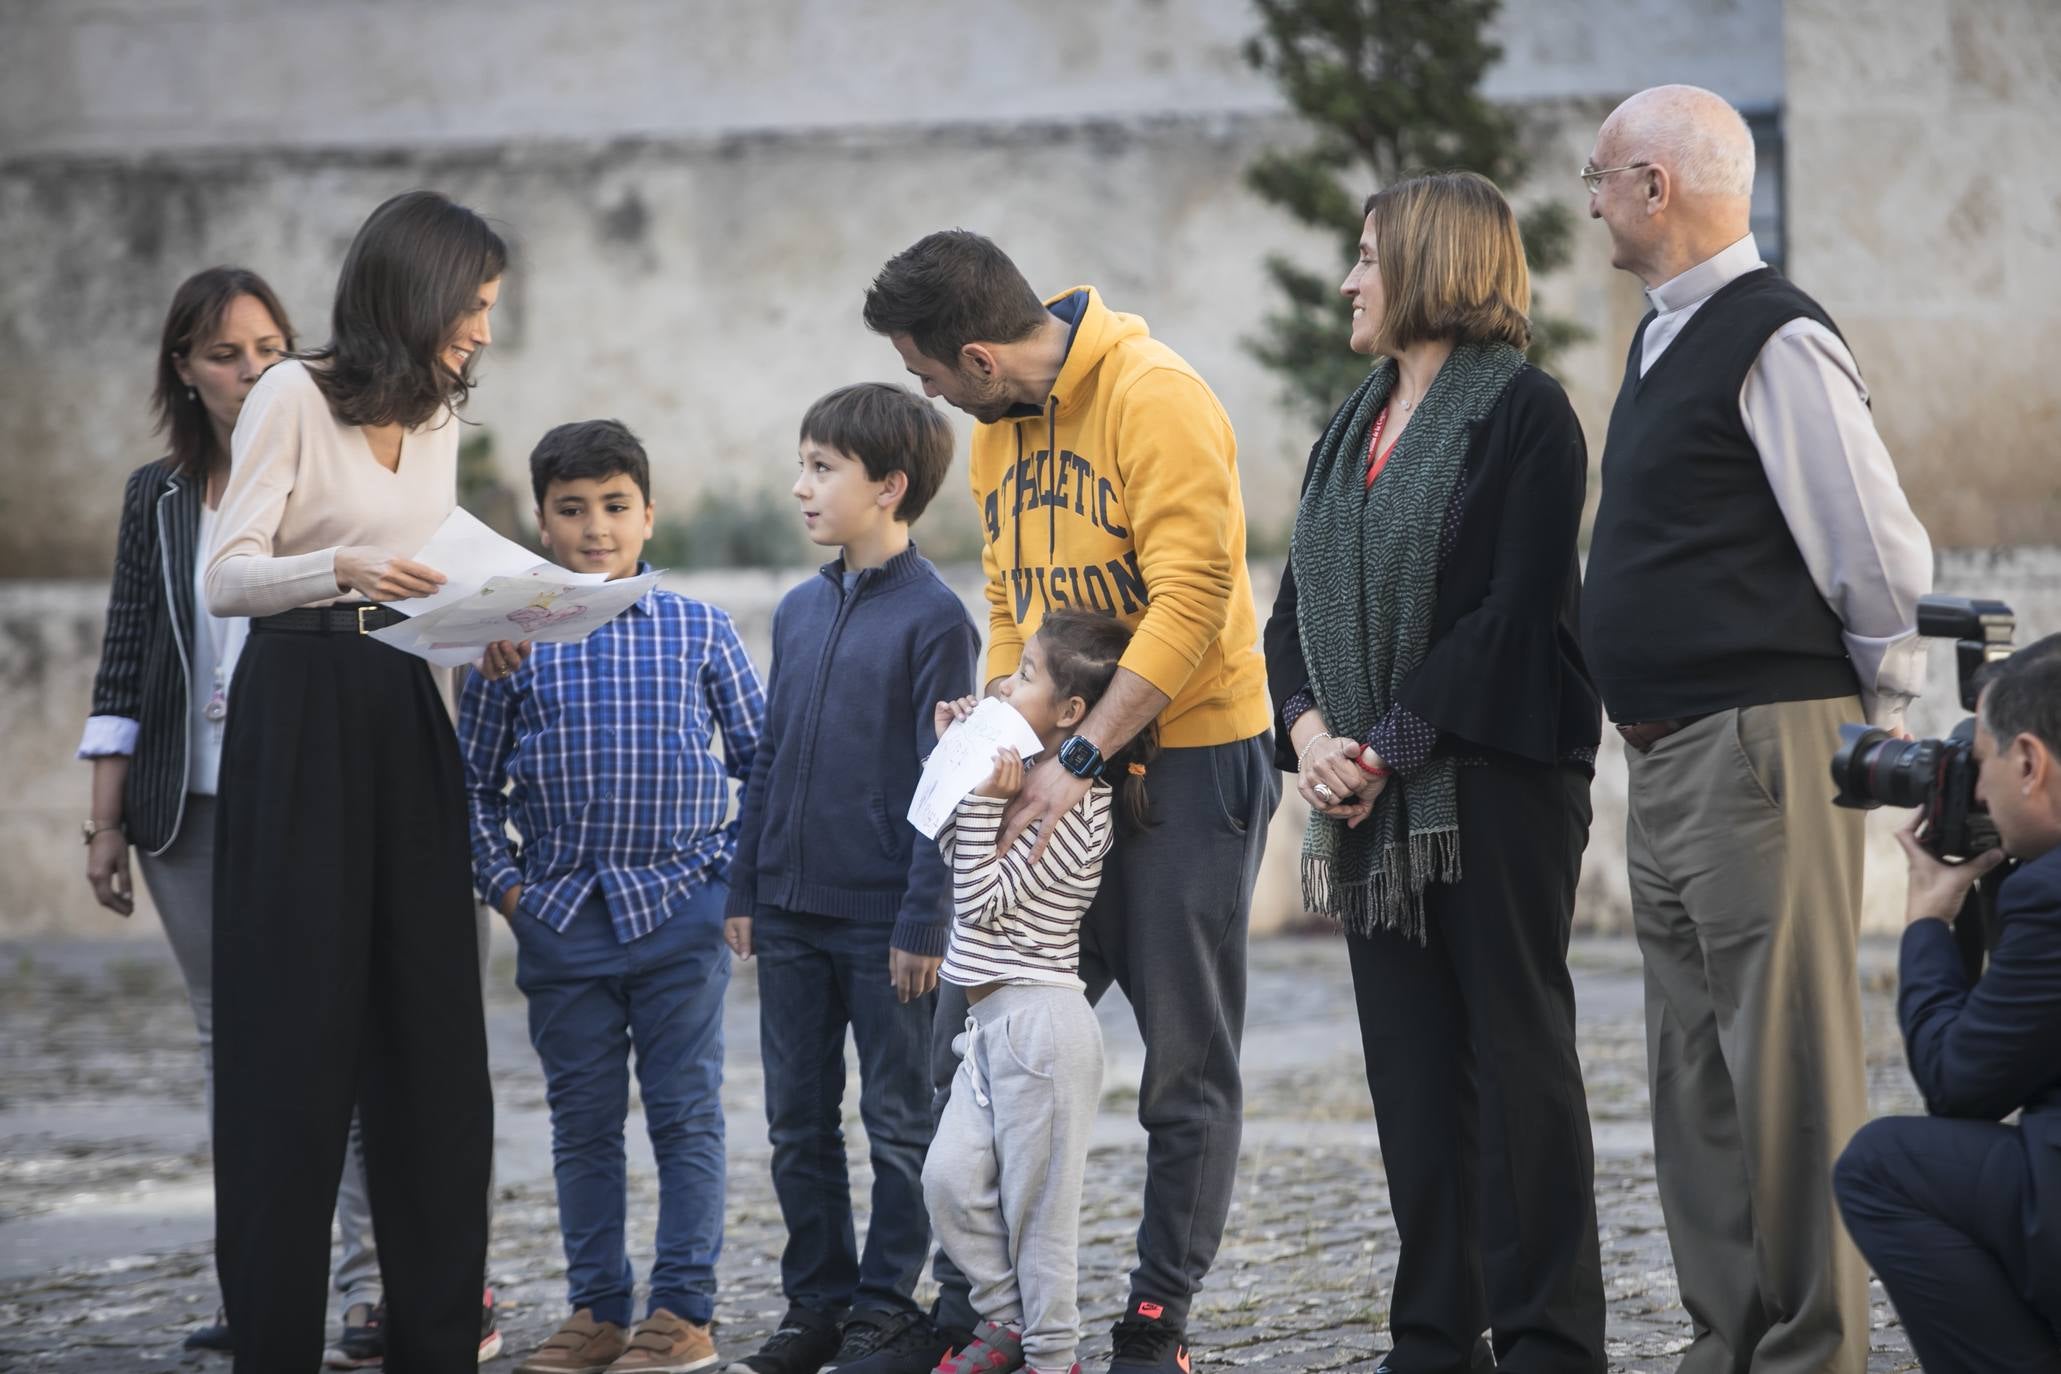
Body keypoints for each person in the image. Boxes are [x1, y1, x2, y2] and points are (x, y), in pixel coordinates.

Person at [864, 230, 1278, 1374]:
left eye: (928, 371)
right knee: (976, 1030)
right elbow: (1014, 608)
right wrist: (1000, 711)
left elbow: (1194, 600)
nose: (927, 395)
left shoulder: (1159, 397)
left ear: (982, 357)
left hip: (1187, 759)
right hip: (1059, 761)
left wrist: (1083, 755)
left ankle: (1156, 1323)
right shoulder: (1001, 442)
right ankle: (980, 1311)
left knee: (1183, 1060)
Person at [1580, 85, 1934, 1374]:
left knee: (1787, 1075)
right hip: (1675, 753)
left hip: (1764, 742)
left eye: (1603, 173)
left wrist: (1865, 724)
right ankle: (1728, 1341)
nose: (1592, 195)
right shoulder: (1662, 338)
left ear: (1657, 187)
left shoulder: (1771, 335)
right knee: (1694, 1080)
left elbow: (1878, 552)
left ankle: (1812, 1352)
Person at [1261, 171, 1606, 1374]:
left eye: (1368, 257)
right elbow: (1287, 614)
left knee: (1517, 1071)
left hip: (1495, 786)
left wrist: (1385, 746)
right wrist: (1308, 739)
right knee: (1412, 1084)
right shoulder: (1347, 425)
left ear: (1434, 264)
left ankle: (1552, 1341)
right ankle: (1432, 1341)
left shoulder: (1525, 415)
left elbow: (1513, 616)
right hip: (1368, 801)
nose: (1350, 281)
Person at [203, 189, 519, 1373]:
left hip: (402, 701)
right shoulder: (291, 393)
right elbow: (228, 579)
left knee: (434, 1034)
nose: (484, 331)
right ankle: (274, 1344)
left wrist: (476, 619)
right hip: (297, 711)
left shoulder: (436, 413)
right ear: (420, 290)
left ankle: (439, 1339)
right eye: (474, 305)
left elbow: (421, 569)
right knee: (292, 1040)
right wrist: (332, 565)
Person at [460, 419, 763, 1374]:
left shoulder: (697, 628)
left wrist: (726, 878)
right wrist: (508, 890)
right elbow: (469, 786)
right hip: (560, 923)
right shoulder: (508, 643)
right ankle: (596, 1310)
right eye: (572, 509)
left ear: (649, 514)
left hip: (680, 912)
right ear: (542, 524)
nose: (596, 527)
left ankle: (681, 1314)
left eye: (615, 506)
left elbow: (762, 764)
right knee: (582, 1124)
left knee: (686, 1116)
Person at [723, 383, 980, 1374]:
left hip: (885, 927)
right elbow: (772, 754)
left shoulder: (935, 621)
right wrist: (746, 885)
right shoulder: (796, 610)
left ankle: (885, 1304)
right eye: (803, 464)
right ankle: (817, 1304)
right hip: (786, 914)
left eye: (823, 468)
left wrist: (923, 919)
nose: (801, 487)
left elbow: (944, 783)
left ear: (891, 487)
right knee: (796, 1124)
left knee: (898, 1124)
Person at [77, 265, 295, 1354]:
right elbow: (124, 663)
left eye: (267, 349)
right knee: (229, 1048)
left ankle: (355, 1279)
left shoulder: (321, 485)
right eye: (225, 353)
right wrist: (106, 822)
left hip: (297, 798)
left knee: (322, 1036)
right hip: (182, 811)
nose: (251, 372)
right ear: (185, 371)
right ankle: (254, 1286)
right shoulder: (155, 498)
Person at [923, 609, 1156, 1374]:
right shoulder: (1014, 778)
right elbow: (956, 854)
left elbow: (980, 900)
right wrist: (956, 758)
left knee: (1038, 1220)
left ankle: (1053, 1356)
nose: (1003, 683)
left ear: (1070, 714)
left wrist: (987, 800)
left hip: (1042, 1028)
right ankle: (1006, 1321)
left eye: (1024, 675)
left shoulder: (1081, 815)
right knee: (949, 1180)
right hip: (984, 1026)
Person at [1833, 636, 2061, 1374]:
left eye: (1983, 762)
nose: (1981, 790)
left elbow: (1960, 1085)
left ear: (2028, 763)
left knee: (1879, 1166)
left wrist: (1929, 917)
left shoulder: (2048, 895)